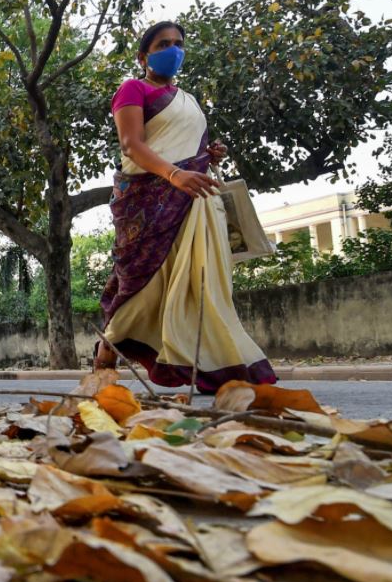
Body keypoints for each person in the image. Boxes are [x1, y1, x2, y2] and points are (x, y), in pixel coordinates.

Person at [96, 20, 276, 392]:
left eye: (178, 43)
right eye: (163, 43)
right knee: (142, 283)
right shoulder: (133, 90)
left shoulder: (189, 100)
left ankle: (214, 362)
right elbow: (131, 145)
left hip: (192, 203)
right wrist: (175, 175)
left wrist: (210, 157)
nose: (173, 49)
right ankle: (107, 349)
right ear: (144, 55)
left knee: (199, 280)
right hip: (147, 201)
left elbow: (189, 152)